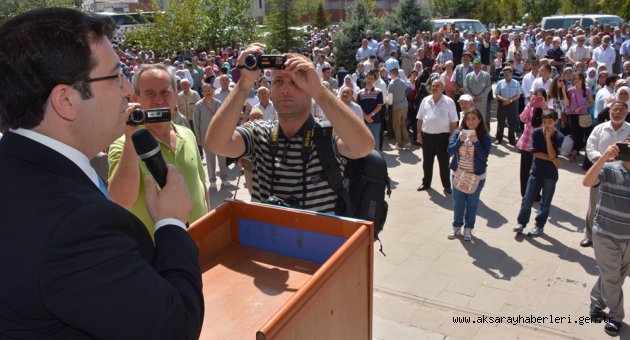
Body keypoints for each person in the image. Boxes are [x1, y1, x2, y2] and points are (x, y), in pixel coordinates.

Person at [0, 8, 203, 338]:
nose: (127, 90)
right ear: (66, 100)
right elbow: (175, 327)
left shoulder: (16, 165)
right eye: (116, 75)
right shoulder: (75, 226)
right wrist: (170, 223)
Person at [204, 44, 374, 213]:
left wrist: (319, 91)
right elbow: (215, 144)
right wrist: (244, 83)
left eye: (295, 82)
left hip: (317, 238)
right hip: (266, 237)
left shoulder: (327, 136)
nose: (285, 89)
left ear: (310, 87)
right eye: (278, 81)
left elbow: (363, 147)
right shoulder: (259, 133)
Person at [108, 63, 209, 237]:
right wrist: (132, 136)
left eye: (165, 92)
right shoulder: (123, 144)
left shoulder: (186, 133)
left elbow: (201, 184)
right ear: (135, 97)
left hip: (201, 240)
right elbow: (119, 201)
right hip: (159, 252)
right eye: (150, 93)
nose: (159, 100)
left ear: (175, 96)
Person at [583, 134, 630, 337]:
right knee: (612, 277)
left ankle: (597, 300)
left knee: (614, 275)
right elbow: (587, 181)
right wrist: (603, 157)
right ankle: (616, 316)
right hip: (606, 235)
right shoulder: (610, 169)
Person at [580, 101, 630, 248]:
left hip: (624, 176)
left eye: (622, 110)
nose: (618, 113)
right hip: (600, 173)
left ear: (626, 113)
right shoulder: (599, 129)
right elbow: (590, 148)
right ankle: (589, 236)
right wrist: (602, 159)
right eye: (615, 109)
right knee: (594, 205)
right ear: (609, 112)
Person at [514, 110, 564, 237]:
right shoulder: (536, 133)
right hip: (535, 172)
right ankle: (521, 223)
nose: (547, 125)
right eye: (545, 122)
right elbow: (535, 153)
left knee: (545, 203)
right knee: (527, 199)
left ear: (555, 122)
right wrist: (553, 159)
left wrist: (547, 139)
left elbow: (552, 154)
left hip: (550, 175)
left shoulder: (559, 136)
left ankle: (539, 226)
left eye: (550, 122)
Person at [447, 109, 491, 241]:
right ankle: (456, 226)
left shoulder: (485, 136)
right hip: (458, 174)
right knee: (458, 202)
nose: (471, 122)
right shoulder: (458, 133)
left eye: (474, 119)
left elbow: (484, 157)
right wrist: (459, 141)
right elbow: (450, 151)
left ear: (479, 120)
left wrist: (476, 142)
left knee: (472, 203)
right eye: (468, 119)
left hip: (476, 177)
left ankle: (468, 228)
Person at [416, 79, 459, 194]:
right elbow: (420, 119)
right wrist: (419, 133)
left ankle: (446, 185)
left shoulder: (449, 102)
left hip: (443, 138)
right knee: (427, 163)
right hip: (427, 137)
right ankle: (426, 183)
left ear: (442, 88)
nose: (434, 87)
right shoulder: (425, 100)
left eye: (437, 86)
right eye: (433, 85)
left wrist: (451, 137)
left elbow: (454, 122)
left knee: (444, 163)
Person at [193, 83, 228, 188]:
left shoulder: (219, 103)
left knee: (222, 158)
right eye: (205, 91)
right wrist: (199, 139)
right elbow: (196, 123)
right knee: (210, 159)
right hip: (206, 138)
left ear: (212, 91)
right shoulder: (198, 106)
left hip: (219, 137)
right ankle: (212, 180)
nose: (208, 92)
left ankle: (224, 178)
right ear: (202, 92)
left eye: (209, 90)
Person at [517, 89, 547, 198]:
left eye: (540, 97)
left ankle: (535, 194)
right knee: (525, 170)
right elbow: (522, 118)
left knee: (537, 171)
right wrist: (530, 104)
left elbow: (549, 123)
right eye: (535, 96)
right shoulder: (530, 107)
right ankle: (524, 192)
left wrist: (544, 106)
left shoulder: (547, 109)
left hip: (539, 145)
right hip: (526, 143)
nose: (537, 99)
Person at [567, 72, 594, 163]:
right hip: (572, 115)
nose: (577, 81)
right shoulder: (570, 90)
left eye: (579, 79)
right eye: (575, 79)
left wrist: (581, 107)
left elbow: (591, 103)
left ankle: (574, 154)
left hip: (583, 115)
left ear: (582, 80)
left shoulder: (587, 90)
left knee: (581, 135)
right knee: (575, 135)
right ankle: (578, 149)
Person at [494, 67, 523, 145]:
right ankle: (499, 138)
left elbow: (518, 95)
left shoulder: (516, 82)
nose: (506, 74)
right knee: (500, 122)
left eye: (508, 72)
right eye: (505, 72)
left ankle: (511, 139)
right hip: (502, 103)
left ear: (511, 73)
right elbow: (496, 94)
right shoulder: (500, 82)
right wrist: (504, 100)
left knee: (512, 122)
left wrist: (510, 100)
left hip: (512, 104)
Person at [357, 69, 384, 150]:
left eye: (372, 78)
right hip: (363, 122)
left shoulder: (379, 92)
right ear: (365, 78)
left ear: (374, 80)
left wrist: (370, 116)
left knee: (375, 144)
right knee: (363, 143)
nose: (370, 80)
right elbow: (359, 107)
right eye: (368, 78)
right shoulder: (360, 92)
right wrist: (365, 117)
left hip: (375, 121)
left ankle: (377, 161)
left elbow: (379, 106)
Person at [464, 58, 493, 130]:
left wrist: (481, 96)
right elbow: (465, 87)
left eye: (478, 64)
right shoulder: (468, 76)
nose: (477, 65)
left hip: (482, 101)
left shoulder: (486, 75)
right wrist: (473, 97)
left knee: (481, 119)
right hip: (471, 101)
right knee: (471, 118)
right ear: (472, 65)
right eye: (475, 64)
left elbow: (489, 86)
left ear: (481, 65)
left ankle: (481, 135)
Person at [388, 68, 411, 150]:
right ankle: (407, 142)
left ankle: (400, 144)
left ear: (392, 74)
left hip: (397, 106)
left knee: (396, 125)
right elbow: (407, 90)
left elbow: (390, 100)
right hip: (405, 105)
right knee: (403, 124)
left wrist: (388, 103)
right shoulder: (403, 82)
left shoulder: (391, 84)